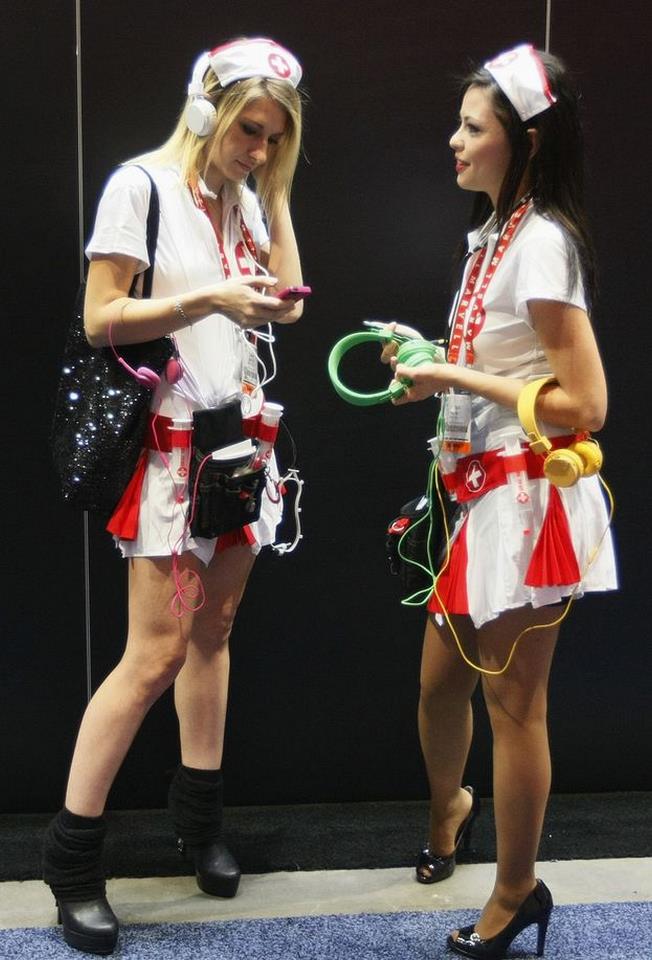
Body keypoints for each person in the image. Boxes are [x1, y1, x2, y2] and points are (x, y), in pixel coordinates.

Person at [42, 37, 306, 955]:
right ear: (205, 109)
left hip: (238, 439)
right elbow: (99, 318)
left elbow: (291, 304)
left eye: (275, 139)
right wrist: (210, 302)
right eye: (249, 131)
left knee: (214, 632)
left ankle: (199, 822)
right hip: (169, 450)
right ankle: (72, 863)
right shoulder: (139, 186)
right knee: (153, 654)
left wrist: (274, 201)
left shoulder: (246, 196)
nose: (258, 150)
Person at [384, 44, 617, 959]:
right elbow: (501, 366)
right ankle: (451, 809)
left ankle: (518, 891)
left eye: (472, 127)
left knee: (515, 708)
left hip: (525, 503)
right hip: (472, 495)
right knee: (439, 685)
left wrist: (451, 374)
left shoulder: (543, 241)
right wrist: (432, 362)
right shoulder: (495, 236)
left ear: (525, 142)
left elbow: (585, 403)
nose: (454, 140)